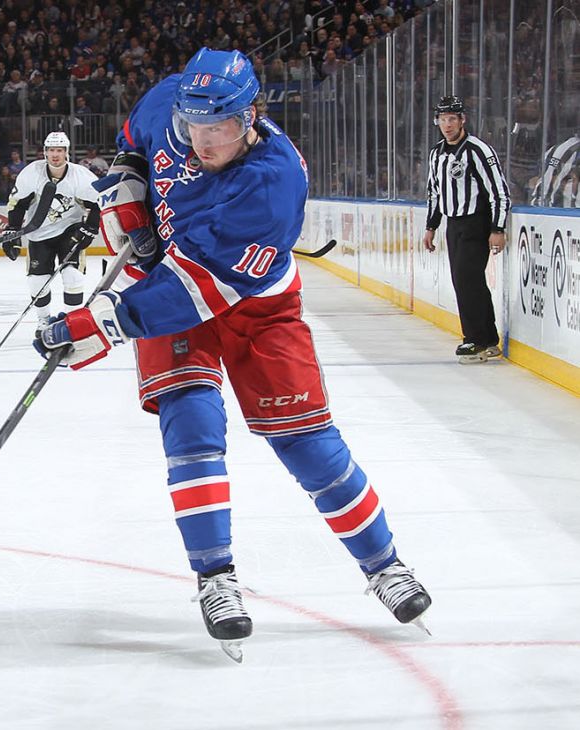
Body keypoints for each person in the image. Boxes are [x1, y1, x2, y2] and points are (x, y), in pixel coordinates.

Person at [35, 48, 432, 662]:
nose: (202, 140)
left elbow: (196, 290)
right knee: (191, 427)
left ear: (250, 117)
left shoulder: (274, 181)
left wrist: (102, 321)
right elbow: (132, 143)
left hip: (250, 305)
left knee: (307, 442)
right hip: (169, 284)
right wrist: (128, 184)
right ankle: (215, 577)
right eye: (193, 124)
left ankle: (385, 565)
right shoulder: (169, 102)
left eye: (218, 127)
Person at [421, 95, 511, 364]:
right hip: (453, 224)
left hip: (476, 223)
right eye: (442, 119)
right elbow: (434, 192)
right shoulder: (436, 153)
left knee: (466, 280)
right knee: (468, 281)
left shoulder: (477, 150)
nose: (447, 125)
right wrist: (431, 226)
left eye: (452, 119)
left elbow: (499, 192)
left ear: (462, 120)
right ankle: (488, 339)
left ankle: (474, 339)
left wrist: (497, 228)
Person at [3, 130, 101, 335]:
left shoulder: (81, 176)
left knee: (73, 276)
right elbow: (18, 203)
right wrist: (12, 230)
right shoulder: (32, 173)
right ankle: (44, 321)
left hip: (70, 231)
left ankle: (72, 323)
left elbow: (98, 203)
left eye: (60, 150)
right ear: (45, 152)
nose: (55, 154)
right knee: (37, 282)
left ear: (67, 152)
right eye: (51, 150)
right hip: (39, 234)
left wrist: (91, 228)